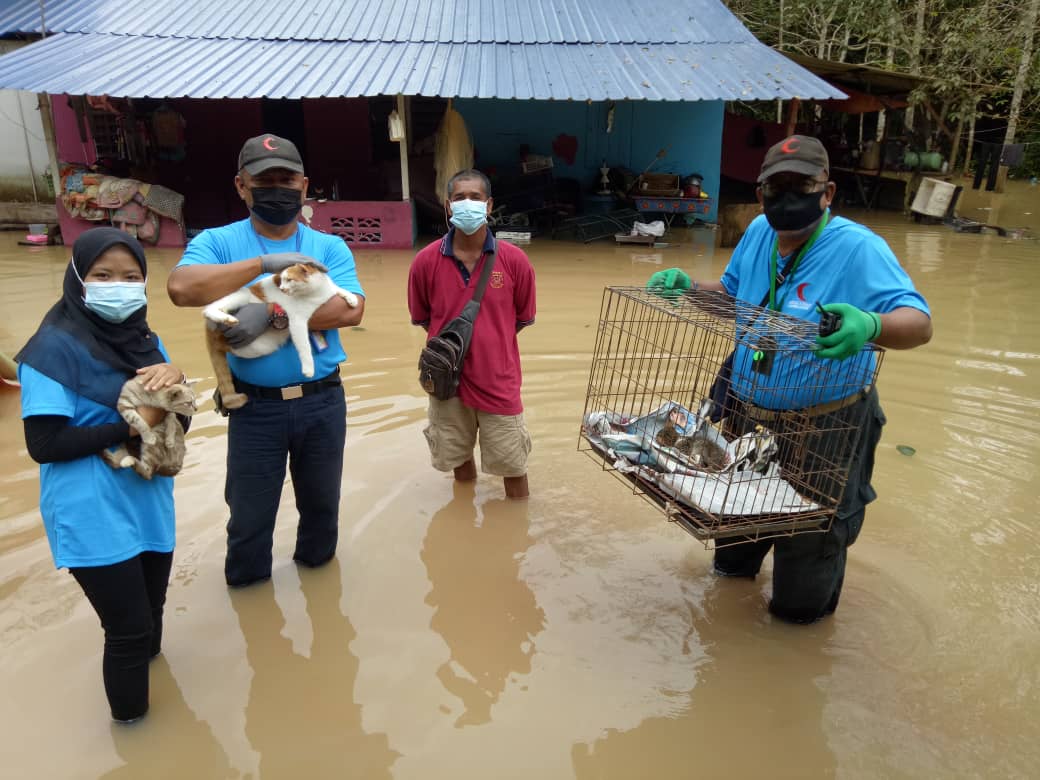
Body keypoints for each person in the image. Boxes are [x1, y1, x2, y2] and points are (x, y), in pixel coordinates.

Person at [648, 135, 932, 624]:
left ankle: (796, 641)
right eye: (774, 188)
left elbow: (920, 322)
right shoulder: (758, 231)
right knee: (731, 553)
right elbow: (734, 296)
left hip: (825, 427)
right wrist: (692, 288)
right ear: (760, 194)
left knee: (804, 575)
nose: (785, 199)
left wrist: (872, 325)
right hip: (746, 414)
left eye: (800, 185)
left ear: (827, 192)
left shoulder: (860, 248)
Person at [167, 134, 365, 587]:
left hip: (321, 403)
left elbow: (350, 310)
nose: (277, 188)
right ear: (241, 185)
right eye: (264, 180)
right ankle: (249, 601)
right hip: (253, 409)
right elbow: (181, 289)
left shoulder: (330, 247)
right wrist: (263, 264)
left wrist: (272, 315)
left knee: (321, 511)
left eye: (286, 179)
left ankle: (319, 592)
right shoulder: (218, 243)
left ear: (304, 184)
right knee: (249, 518)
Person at [16, 227, 190, 723]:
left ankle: (157, 696)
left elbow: (176, 417)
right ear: (78, 279)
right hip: (90, 508)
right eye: (103, 275)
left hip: (147, 499)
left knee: (152, 614)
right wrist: (136, 422)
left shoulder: (145, 341)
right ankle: (134, 733)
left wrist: (174, 378)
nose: (120, 286)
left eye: (132, 276)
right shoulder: (50, 352)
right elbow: (44, 446)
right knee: (129, 631)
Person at [407, 169, 536, 499]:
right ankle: (465, 514)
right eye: (460, 198)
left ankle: (511, 538)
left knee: (513, 467)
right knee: (458, 461)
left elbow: (521, 319)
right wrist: (457, 348)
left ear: (489, 205)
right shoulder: (425, 261)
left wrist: (489, 342)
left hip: (499, 381)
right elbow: (424, 318)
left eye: (475, 198)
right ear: (449, 207)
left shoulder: (515, 261)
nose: (468, 204)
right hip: (447, 382)